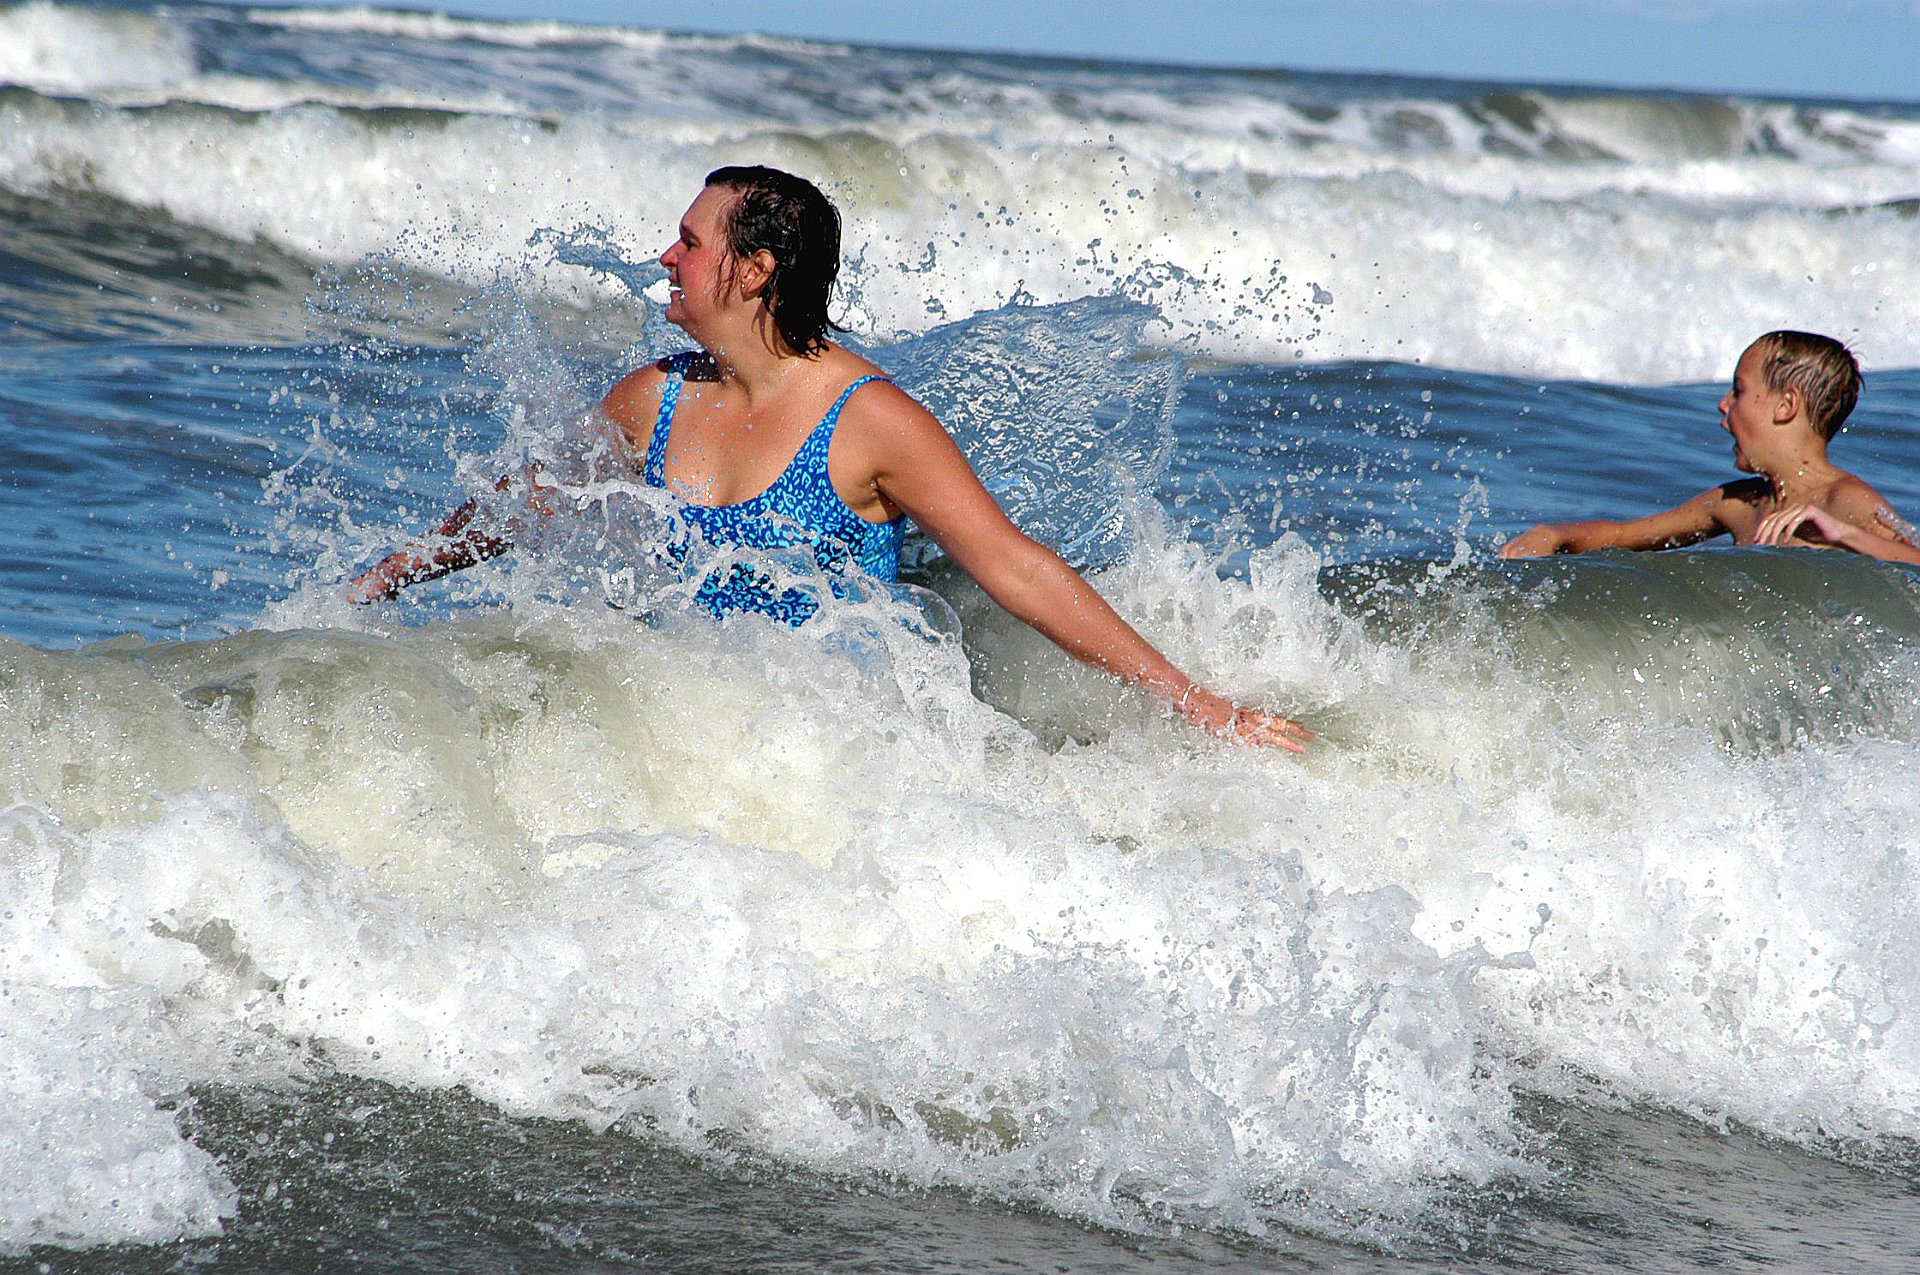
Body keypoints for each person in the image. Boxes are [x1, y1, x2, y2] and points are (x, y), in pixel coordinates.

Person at [351, 165, 1313, 751]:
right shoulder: (652, 400)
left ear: (754, 270)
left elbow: (1018, 569)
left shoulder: (870, 422)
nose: (667, 259)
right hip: (689, 735)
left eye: (689, 242)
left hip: (837, 752)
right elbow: (526, 501)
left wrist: (1204, 709)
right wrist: (395, 571)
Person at [1498, 330, 1917, 563]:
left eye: (1739, 391)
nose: (1723, 403)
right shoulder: (1739, 504)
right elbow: (1625, 535)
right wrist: (1554, 533)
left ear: (1786, 405)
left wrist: (1843, 533)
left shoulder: (1844, 500)